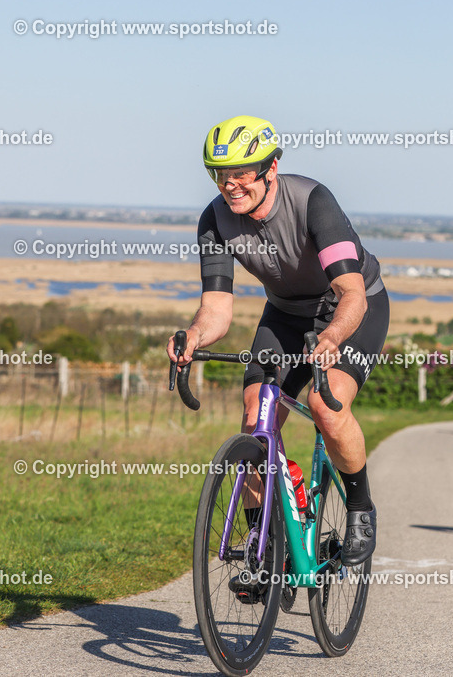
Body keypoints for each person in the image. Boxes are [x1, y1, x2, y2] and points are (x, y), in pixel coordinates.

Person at [168, 116, 390, 576]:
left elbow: (350, 292)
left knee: (326, 407)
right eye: (220, 175)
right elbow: (217, 310)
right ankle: (262, 545)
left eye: (241, 174)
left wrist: (331, 337)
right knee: (256, 423)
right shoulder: (215, 219)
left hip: (351, 307)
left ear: (271, 167)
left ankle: (360, 507)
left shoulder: (312, 202)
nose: (231, 186)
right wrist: (192, 337)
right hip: (286, 314)